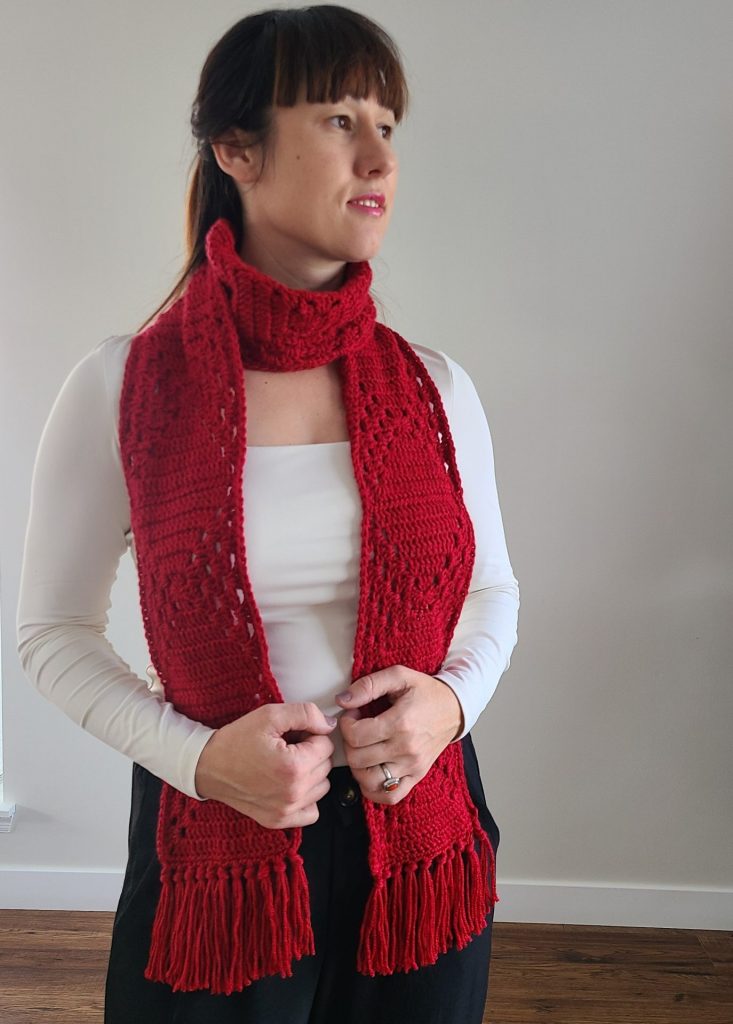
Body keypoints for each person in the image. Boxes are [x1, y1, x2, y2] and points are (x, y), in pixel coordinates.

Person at [16, 7, 520, 1023]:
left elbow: (492, 592)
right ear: (235, 147)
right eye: (340, 119)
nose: (379, 153)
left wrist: (449, 707)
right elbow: (51, 633)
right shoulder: (126, 385)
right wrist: (200, 762)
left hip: (419, 838)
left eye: (388, 123)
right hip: (214, 845)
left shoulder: (434, 387)